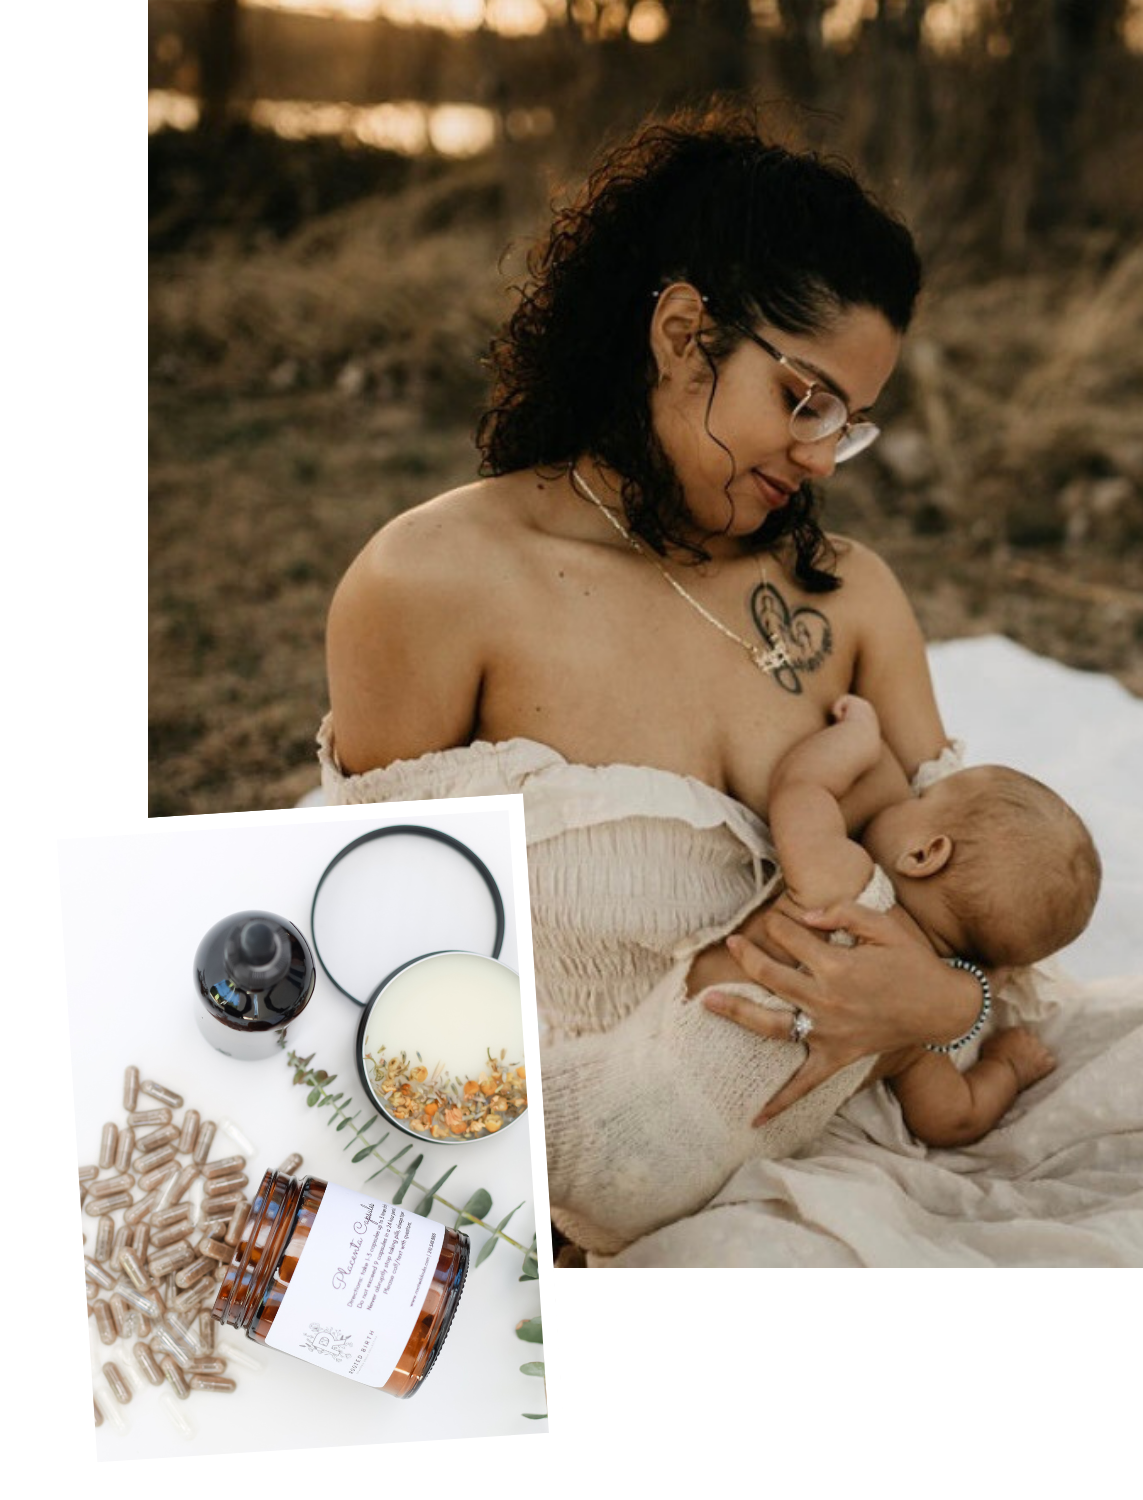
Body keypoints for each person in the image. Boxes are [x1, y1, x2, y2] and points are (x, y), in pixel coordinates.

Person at [319, 104, 1087, 1261]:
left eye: (853, 424)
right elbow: (369, 962)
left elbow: (985, 903)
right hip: (564, 1176)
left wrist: (945, 1009)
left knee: (1085, 1350)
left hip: (855, 1142)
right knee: (929, 1404)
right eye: (804, 400)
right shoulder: (433, 585)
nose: (825, 457)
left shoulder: (854, 596)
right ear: (684, 334)